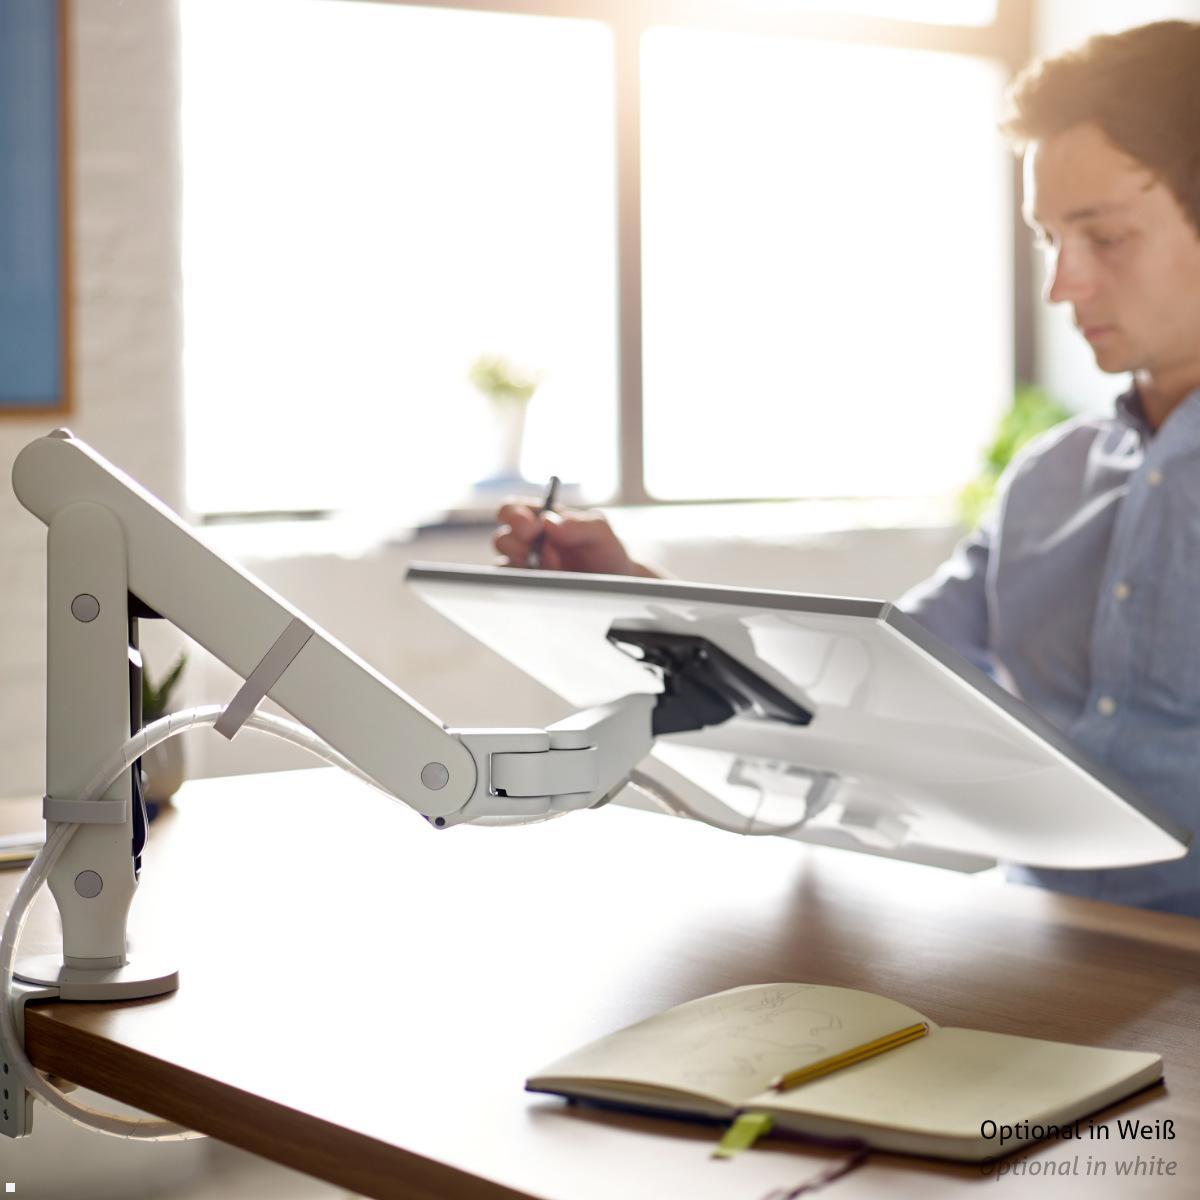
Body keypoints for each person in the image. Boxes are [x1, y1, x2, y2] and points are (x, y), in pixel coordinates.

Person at [494, 21, 1200, 915]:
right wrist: (638, 590)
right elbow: (867, 675)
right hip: (1039, 940)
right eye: (1049, 239)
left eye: (1105, 238)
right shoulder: (1046, 482)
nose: (1064, 285)